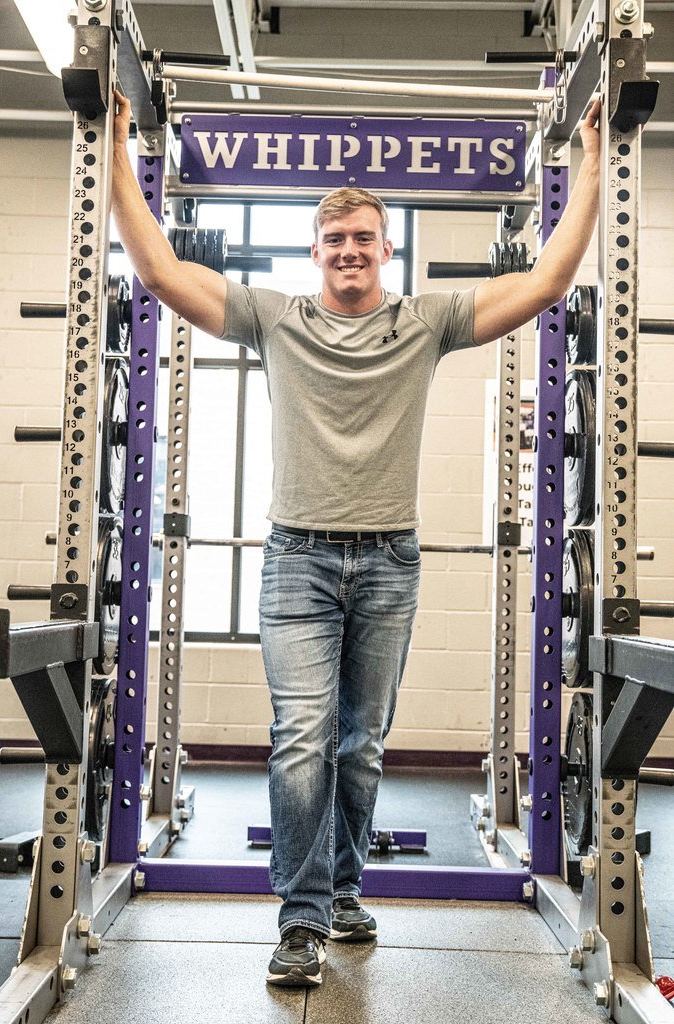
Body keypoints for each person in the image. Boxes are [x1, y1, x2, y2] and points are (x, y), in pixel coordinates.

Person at [111, 91, 600, 987]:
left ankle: (341, 890)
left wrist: (594, 161)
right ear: (316, 252)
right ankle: (299, 920)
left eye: (363, 239)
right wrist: (113, 144)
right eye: (333, 240)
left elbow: (547, 284)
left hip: (388, 563)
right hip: (296, 559)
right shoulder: (275, 318)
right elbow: (157, 273)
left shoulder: (423, 323)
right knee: (301, 735)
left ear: (384, 249)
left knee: (359, 745)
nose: (348, 252)